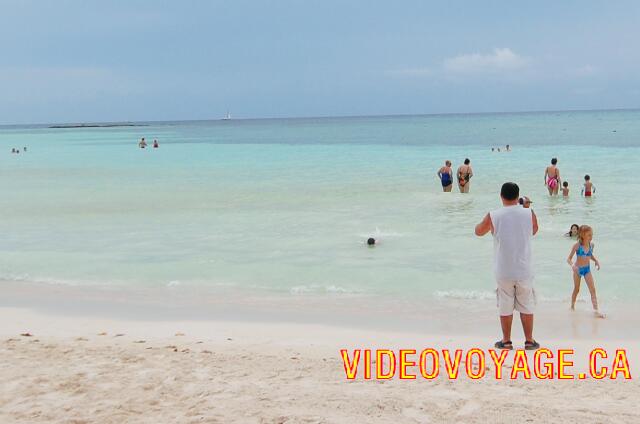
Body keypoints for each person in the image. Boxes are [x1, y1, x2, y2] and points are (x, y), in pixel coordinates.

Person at [475, 182, 540, 350]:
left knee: (505, 304)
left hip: (503, 269)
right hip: (524, 268)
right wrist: (524, 208)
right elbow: (534, 230)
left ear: (501, 196)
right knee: (526, 303)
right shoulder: (529, 213)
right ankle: (529, 341)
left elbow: (479, 231)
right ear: (517, 196)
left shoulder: (494, 215)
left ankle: (506, 341)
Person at [567, 225, 603, 317]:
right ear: (582, 235)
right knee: (576, 289)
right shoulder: (577, 246)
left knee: (593, 290)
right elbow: (569, 259)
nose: (591, 237)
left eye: (592, 235)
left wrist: (596, 261)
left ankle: (596, 311)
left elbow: (589, 255)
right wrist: (572, 266)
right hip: (577, 270)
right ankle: (572, 306)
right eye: (589, 235)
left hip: (587, 269)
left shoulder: (591, 245)